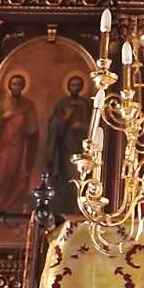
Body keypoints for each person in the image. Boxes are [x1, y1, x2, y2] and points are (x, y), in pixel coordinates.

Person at [0, 73, 40, 215]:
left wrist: (23, 122)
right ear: (10, 86)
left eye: (19, 84)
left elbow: (33, 128)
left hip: (18, 146)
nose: (16, 87)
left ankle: (11, 204)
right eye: (14, 84)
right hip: (2, 145)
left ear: (23, 86)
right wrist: (4, 117)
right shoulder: (2, 102)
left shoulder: (27, 104)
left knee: (14, 173)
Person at [45, 75, 93, 215]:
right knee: (64, 177)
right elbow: (53, 124)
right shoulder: (62, 104)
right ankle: (63, 207)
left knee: (77, 177)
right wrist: (63, 120)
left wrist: (80, 126)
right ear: (68, 87)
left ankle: (78, 208)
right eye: (73, 85)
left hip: (80, 148)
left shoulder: (85, 104)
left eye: (77, 85)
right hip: (63, 148)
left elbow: (93, 126)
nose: (75, 88)